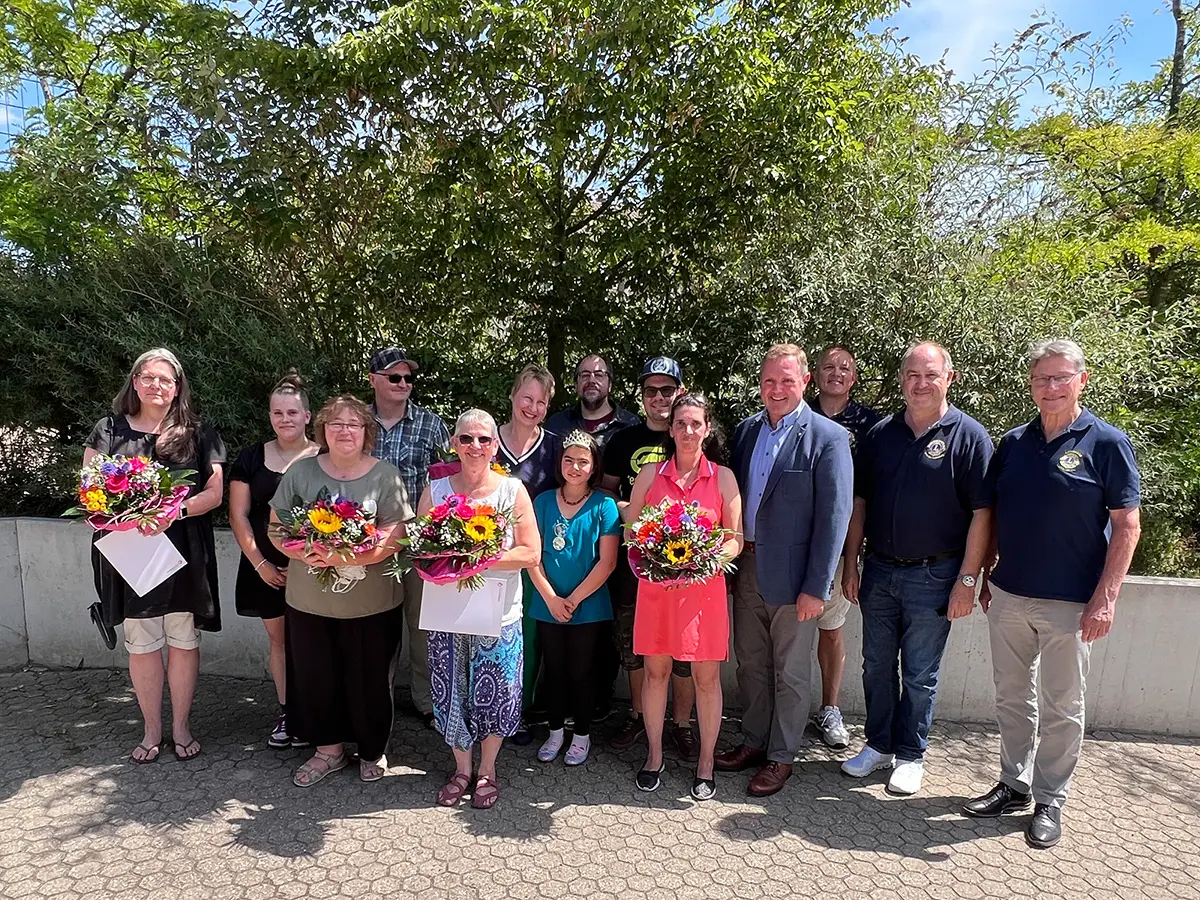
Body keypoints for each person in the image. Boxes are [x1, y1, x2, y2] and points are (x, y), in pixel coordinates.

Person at [963, 339, 1141, 849]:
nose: (1051, 387)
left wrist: (1106, 597)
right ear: (1031, 384)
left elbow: (1127, 526)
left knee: (1063, 705)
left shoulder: (1106, 443)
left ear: (1082, 380)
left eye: (1061, 377)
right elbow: (993, 514)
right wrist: (986, 573)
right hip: (1009, 595)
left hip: (1071, 603)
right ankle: (1013, 784)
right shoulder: (1014, 442)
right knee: (1011, 697)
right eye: (1042, 378)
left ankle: (1050, 799)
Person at [841, 342, 993, 796]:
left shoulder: (970, 437)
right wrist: (851, 564)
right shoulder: (880, 435)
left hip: (936, 577)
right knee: (875, 665)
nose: (921, 383)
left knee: (920, 675)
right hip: (879, 571)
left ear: (949, 378)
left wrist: (968, 579)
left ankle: (911, 755)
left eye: (930, 375)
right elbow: (859, 504)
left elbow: (984, 514)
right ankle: (879, 745)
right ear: (901, 380)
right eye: (912, 375)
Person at [716, 344, 853, 797]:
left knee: (791, 673)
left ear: (805, 382)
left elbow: (834, 518)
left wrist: (818, 586)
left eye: (787, 381)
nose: (777, 390)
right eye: (769, 381)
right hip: (747, 566)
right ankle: (754, 741)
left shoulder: (828, 438)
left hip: (796, 580)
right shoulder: (746, 431)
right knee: (751, 663)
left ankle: (782, 756)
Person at [85, 348, 227, 764]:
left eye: (165, 379)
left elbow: (215, 493)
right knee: (142, 642)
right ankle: (151, 730)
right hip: (130, 553)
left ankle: (181, 726)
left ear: (177, 387)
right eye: (147, 377)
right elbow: (89, 491)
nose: (156, 386)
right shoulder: (108, 430)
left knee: (183, 639)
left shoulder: (199, 433)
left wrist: (172, 513)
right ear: (134, 382)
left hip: (182, 551)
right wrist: (122, 518)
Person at [269, 395, 410, 787]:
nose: (344, 431)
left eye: (353, 424)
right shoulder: (301, 473)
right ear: (323, 430)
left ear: (366, 432)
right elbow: (276, 528)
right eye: (336, 423)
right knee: (316, 678)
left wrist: (349, 557)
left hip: (372, 605)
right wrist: (303, 552)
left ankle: (372, 751)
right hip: (310, 604)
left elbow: (397, 536)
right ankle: (327, 751)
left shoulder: (385, 476)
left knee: (370, 681)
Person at [626, 394, 743, 800]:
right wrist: (655, 554)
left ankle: (706, 763)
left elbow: (735, 540)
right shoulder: (649, 475)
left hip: (703, 594)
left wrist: (703, 561)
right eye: (681, 423)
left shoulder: (723, 478)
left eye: (696, 423)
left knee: (706, 680)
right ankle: (654, 756)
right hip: (657, 591)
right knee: (655, 674)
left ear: (707, 429)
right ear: (671, 429)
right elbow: (631, 531)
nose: (688, 431)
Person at [422, 410, 540, 810]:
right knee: (452, 692)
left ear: (494, 447)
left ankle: (487, 769)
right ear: (454, 444)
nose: (475, 446)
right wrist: (446, 559)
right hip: (447, 613)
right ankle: (461, 770)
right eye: (466, 438)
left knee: (496, 694)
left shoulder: (512, 491)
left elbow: (531, 552)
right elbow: (421, 549)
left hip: (498, 614)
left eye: (484, 439)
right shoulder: (436, 491)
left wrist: (478, 559)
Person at [602, 356, 698, 761]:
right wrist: (631, 512)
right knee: (633, 643)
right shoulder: (622, 439)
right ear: (641, 395)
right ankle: (639, 716)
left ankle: (682, 724)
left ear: (680, 391)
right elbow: (605, 492)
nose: (659, 397)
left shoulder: (693, 436)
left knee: (684, 651)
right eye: (650, 390)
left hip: (686, 566)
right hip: (634, 564)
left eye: (667, 389)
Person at [229, 371, 320, 749]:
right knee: (280, 642)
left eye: (292, 412)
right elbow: (238, 515)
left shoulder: (325, 457)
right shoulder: (251, 458)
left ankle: (316, 714)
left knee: (313, 644)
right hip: (265, 570)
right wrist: (260, 564)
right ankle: (288, 713)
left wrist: (309, 560)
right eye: (278, 412)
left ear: (307, 416)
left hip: (315, 569)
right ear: (269, 416)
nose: (285, 419)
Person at [527, 431, 621, 767]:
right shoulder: (542, 502)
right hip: (547, 602)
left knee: (582, 671)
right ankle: (555, 732)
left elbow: (607, 562)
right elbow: (532, 555)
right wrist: (552, 598)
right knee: (553, 670)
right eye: (569, 460)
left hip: (588, 604)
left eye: (583, 461)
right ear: (560, 463)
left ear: (594, 466)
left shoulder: (604, 506)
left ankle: (581, 734)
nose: (575, 467)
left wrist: (574, 599)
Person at [368, 346, 450, 728]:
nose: (403, 384)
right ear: (373, 380)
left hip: (419, 545)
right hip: (368, 544)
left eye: (408, 378)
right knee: (375, 628)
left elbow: (448, 480)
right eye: (394, 377)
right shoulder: (356, 423)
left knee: (422, 628)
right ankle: (374, 701)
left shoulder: (431, 425)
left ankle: (427, 702)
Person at [809, 345, 883, 749]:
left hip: (839, 548)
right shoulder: (798, 415)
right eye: (828, 367)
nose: (836, 373)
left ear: (853, 378)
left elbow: (862, 497)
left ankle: (830, 708)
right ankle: (779, 713)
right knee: (786, 636)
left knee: (831, 629)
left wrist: (852, 560)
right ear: (814, 375)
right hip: (794, 545)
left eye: (844, 368)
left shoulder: (870, 425)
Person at [497, 365, 564, 743]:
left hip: (534, 558)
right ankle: (486, 706)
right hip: (489, 557)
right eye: (527, 398)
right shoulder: (487, 440)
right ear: (512, 395)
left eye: (541, 402)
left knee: (528, 637)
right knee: (487, 631)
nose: (532, 407)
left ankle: (518, 711)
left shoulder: (554, 448)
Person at [545, 354, 640, 447]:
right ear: (576, 385)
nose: (591, 380)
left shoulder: (631, 426)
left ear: (610, 384)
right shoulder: (556, 425)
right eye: (585, 375)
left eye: (599, 375)